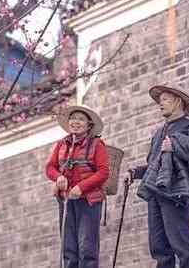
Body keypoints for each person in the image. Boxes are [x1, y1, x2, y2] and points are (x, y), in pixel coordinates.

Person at [124, 86, 189, 268]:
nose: (160, 104)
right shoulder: (159, 133)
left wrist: (176, 147)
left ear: (178, 102)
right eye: (160, 100)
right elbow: (154, 167)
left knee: (183, 247)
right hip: (155, 194)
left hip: (176, 195)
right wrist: (134, 173)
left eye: (165, 99)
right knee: (159, 249)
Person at [46, 105, 110, 268]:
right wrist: (58, 177)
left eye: (81, 119)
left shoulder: (97, 144)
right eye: (73, 118)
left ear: (89, 125)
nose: (76, 122)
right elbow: (50, 167)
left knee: (86, 247)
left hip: (88, 201)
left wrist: (81, 187)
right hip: (67, 201)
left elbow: (103, 172)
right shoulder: (62, 145)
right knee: (68, 248)